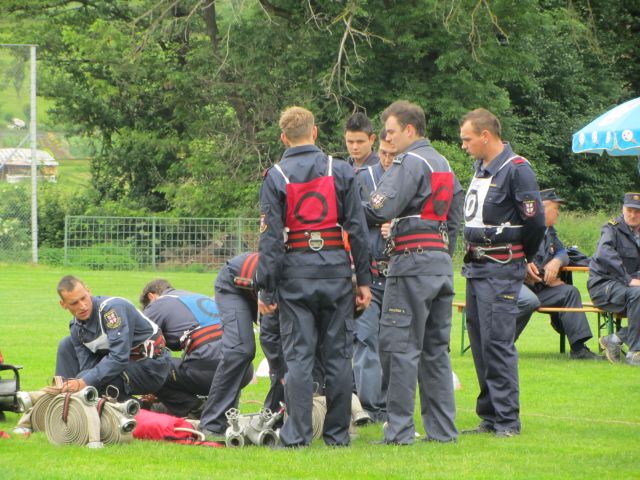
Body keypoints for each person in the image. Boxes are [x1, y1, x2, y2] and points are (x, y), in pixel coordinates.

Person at [257, 106, 372, 447]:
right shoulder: (340, 169)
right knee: (338, 356)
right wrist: (363, 280)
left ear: (283, 138)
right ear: (316, 132)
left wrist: (266, 288)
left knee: (299, 357)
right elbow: (358, 230)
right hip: (337, 272)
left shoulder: (276, 176)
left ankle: (297, 434)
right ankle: (337, 434)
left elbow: (270, 239)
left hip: (296, 274)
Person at [362, 100, 463, 445]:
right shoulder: (445, 163)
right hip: (439, 264)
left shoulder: (409, 161)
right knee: (435, 350)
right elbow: (455, 219)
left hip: (410, 265)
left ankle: (399, 430)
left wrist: (349, 207)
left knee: (399, 346)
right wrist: (443, 257)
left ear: (409, 129)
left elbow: (381, 207)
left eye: (390, 132)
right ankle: (442, 431)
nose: (386, 140)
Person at [460, 108, 546, 437]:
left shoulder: (517, 170)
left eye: (468, 139)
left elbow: (535, 221)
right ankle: (490, 416)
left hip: (501, 267)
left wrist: (523, 257)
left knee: (498, 343)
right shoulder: (480, 169)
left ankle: (508, 421)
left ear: (486, 136)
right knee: (481, 343)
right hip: (476, 267)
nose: (464, 145)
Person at [54, 275, 174, 400]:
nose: (82, 306)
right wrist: (78, 384)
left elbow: (119, 357)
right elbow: (88, 367)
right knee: (66, 345)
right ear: (63, 305)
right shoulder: (76, 327)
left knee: (92, 383)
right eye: (74, 303)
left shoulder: (112, 310)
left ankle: (138, 410)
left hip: (150, 367)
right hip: (126, 364)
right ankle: (62, 398)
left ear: (88, 291)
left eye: (84, 298)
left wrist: (82, 383)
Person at [140, 280, 247, 417]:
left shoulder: (157, 303)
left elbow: (142, 344)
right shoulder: (197, 297)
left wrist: (150, 386)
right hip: (244, 372)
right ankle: (226, 411)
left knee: (151, 368)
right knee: (227, 359)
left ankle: (195, 409)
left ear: (151, 296)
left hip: (210, 370)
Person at [514, 189, 599, 359]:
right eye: (556, 208)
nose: (558, 213)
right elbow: (520, 263)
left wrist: (556, 261)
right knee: (530, 302)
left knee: (569, 292)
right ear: (543, 209)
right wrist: (546, 278)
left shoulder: (550, 231)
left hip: (540, 288)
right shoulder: (524, 229)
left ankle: (578, 349)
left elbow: (563, 252)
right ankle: (500, 343)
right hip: (519, 287)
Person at [350, 127, 396, 422]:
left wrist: (399, 224)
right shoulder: (360, 178)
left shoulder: (412, 177)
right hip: (368, 272)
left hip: (399, 276)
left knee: (393, 343)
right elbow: (350, 217)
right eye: (384, 153)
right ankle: (370, 407)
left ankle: (390, 403)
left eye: (394, 154)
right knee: (365, 338)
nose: (389, 159)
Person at [197, 252, 259, 439]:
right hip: (235, 283)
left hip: (260, 285)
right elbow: (272, 337)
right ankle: (212, 424)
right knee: (239, 351)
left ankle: (278, 418)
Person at [588, 192, 640, 366]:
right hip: (604, 285)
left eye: (637, 211)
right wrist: (628, 279)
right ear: (622, 209)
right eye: (629, 210)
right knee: (638, 294)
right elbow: (605, 254)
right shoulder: (611, 228)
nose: (632, 215)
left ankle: (616, 338)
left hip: (629, 288)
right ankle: (635, 353)